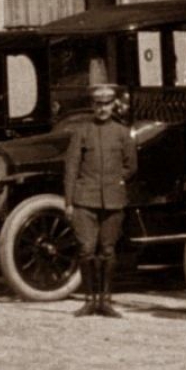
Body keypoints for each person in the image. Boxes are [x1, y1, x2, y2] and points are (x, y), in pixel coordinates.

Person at [64, 84, 137, 317]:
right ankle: (89, 300)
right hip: (85, 200)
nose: (102, 108)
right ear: (92, 105)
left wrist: (117, 180)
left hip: (113, 200)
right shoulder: (82, 132)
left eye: (106, 104)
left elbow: (131, 165)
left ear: (113, 104)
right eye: (98, 104)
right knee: (86, 249)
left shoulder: (122, 132)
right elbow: (71, 167)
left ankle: (105, 300)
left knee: (107, 250)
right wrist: (69, 202)